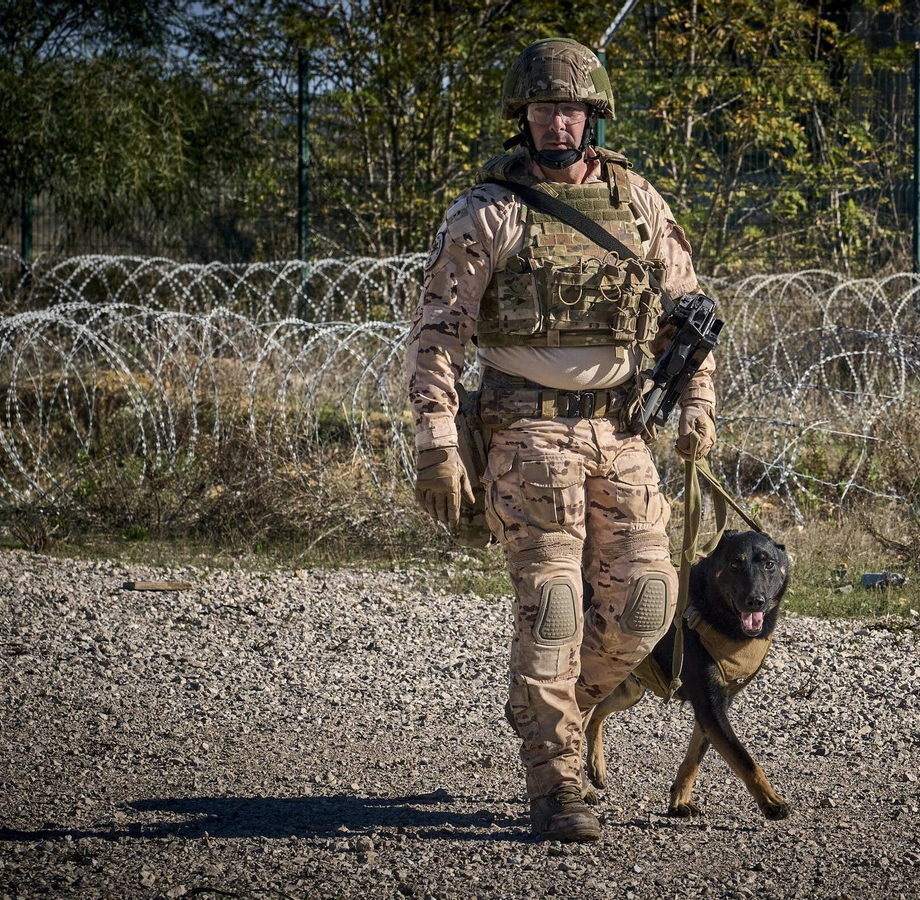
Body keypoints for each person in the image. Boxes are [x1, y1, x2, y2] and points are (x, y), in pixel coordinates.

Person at [404, 37, 716, 842]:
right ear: (524, 119)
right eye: (541, 111)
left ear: (593, 117)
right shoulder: (490, 210)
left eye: (569, 109)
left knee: (648, 606)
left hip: (623, 431)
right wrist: (437, 438)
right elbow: (438, 332)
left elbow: (692, 313)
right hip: (526, 433)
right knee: (553, 609)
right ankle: (556, 788)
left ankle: (553, 713)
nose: (555, 124)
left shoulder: (639, 201)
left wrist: (699, 406)